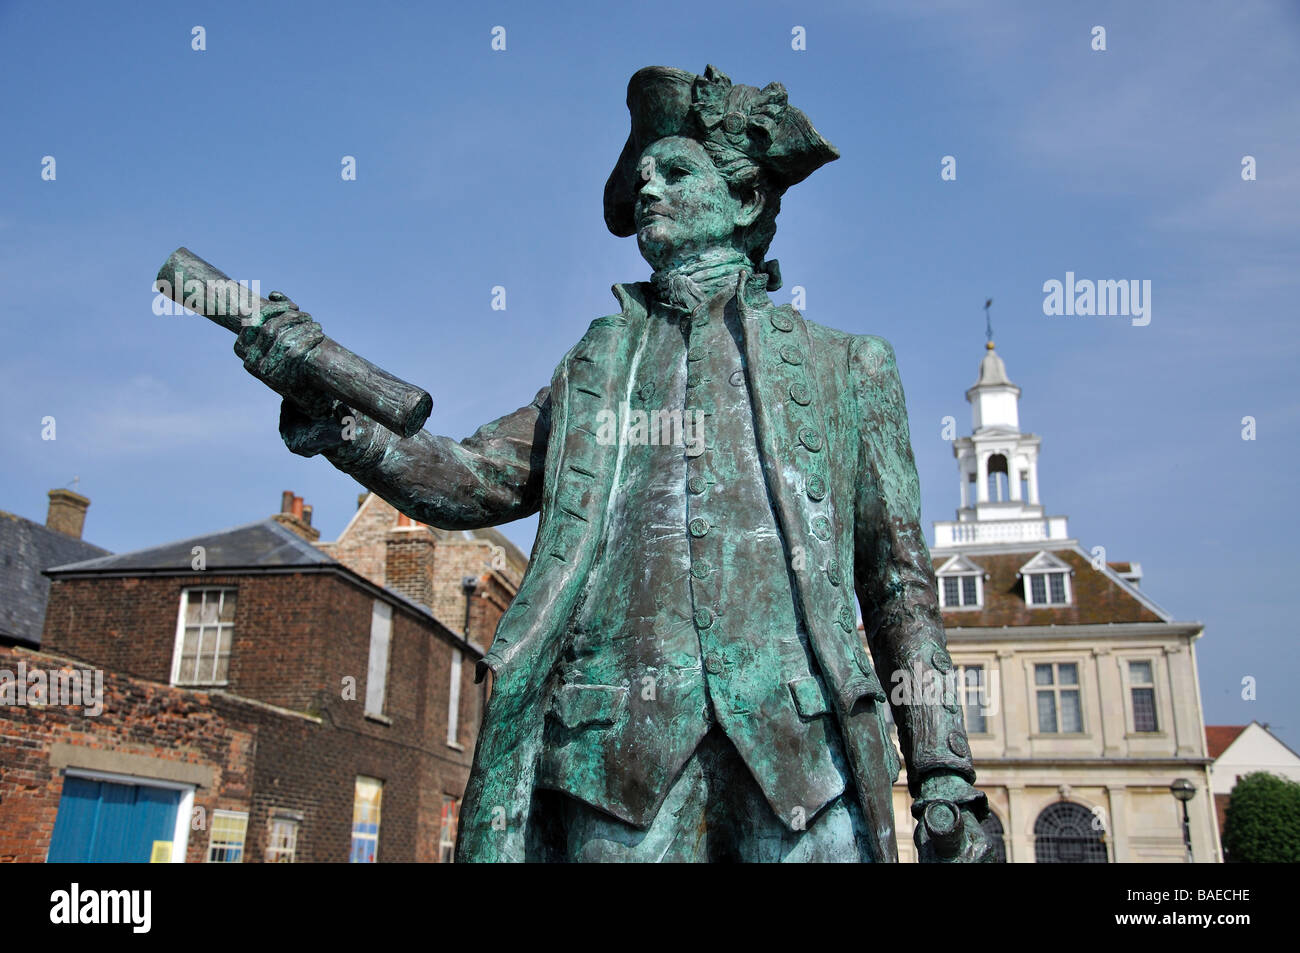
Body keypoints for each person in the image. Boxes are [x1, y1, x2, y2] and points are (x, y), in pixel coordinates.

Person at [237, 65, 992, 862]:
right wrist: (334, 412)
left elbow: (897, 582)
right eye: (642, 178)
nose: (648, 191)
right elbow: (471, 478)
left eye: (675, 172)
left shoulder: (849, 368)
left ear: (744, 201)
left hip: (803, 757)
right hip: (615, 762)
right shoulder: (597, 362)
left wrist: (942, 765)